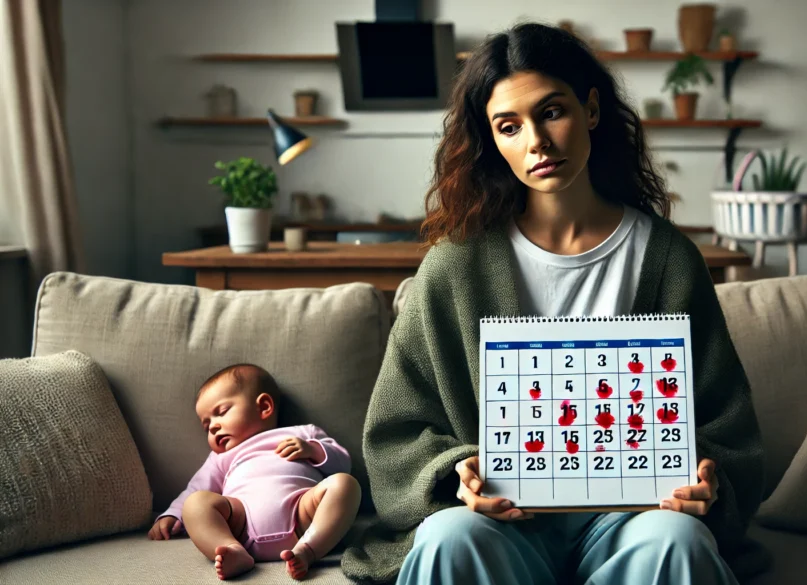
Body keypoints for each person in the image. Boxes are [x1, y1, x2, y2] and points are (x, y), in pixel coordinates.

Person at [341, 21, 766, 585]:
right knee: (448, 537)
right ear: (492, 141)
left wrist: (706, 476)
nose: (536, 141)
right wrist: (456, 475)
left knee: (679, 541)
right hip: (504, 520)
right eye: (509, 126)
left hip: (634, 517)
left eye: (552, 112)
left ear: (590, 109)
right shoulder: (455, 265)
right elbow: (396, 431)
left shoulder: (668, 258)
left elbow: (726, 422)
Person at [148, 364, 362, 581]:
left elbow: (343, 463)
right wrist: (173, 514)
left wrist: (313, 449)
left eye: (221, 412)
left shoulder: (302, 432)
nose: (213, 426)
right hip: (241, 527)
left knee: (345, 484)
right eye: (206, 425)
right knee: (195, 503)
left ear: (265, 406)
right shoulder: (221, 458)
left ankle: (309, 549)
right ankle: (231, 550)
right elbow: (196, 487)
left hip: (302, 515)